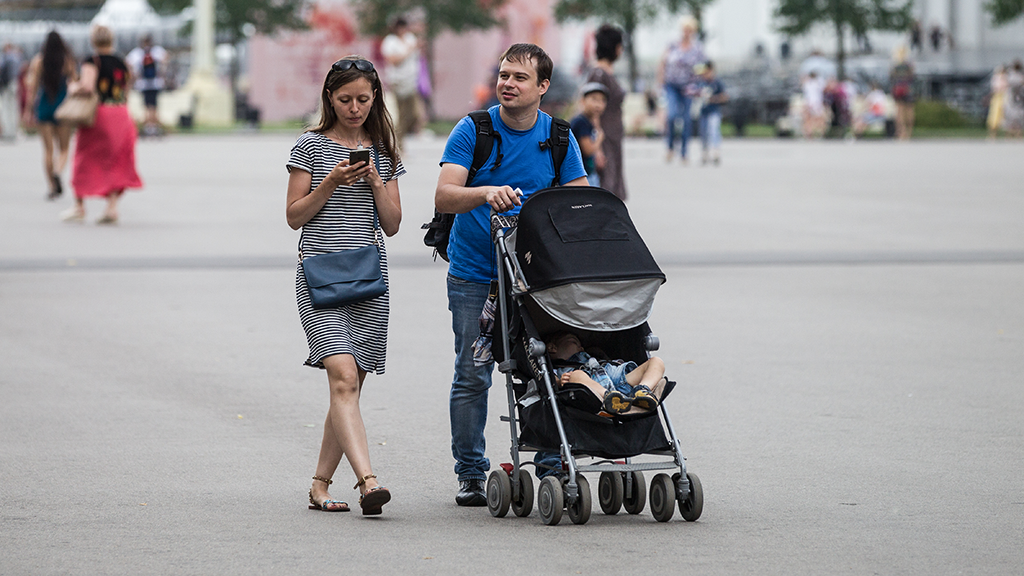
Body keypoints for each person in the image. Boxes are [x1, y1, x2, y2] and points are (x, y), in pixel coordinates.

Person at [434, 43, 588, 506]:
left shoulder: (559, 137)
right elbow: (444, 195)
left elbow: (580, 202)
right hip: (475, 273)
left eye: (520, 77)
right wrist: (485, 194)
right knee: (472, 373)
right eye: (504, 75)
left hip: (535, 277)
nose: (508, 83)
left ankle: (547, 462)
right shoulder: (473, 129)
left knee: (544, 364)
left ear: (542, 87)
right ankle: (470, 472)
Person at [286, 55, 403, 516]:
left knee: (349, 388)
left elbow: (392, 224)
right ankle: (368, 482)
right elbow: (294, 215)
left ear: (375, 98)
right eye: (344, 99)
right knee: (344, 376)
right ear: (329, 99)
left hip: (369, 279)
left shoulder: (384, 152)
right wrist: (331, 181)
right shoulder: (310, 147)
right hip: (320, 276)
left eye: (362, 99)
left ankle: (319, 485)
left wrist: (375, 178)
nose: (354, 108)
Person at [63, 25, 142, 224]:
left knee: (84, 157)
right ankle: (112, 207)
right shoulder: (122, 62)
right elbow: (127, 88)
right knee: (116, 161)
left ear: (93, 41)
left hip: (100, 114)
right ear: (111, 40)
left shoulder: (92, 61)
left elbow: (88, 86)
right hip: (121, 114)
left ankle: (79, 205)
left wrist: (73, 88)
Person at [545, 332, 667, 415]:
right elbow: (550, 380)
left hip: (613, 375)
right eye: (574, 342)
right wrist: (560, 381)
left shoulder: (592, 355)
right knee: (576, 375)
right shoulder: (557, 368)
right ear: (552, 347)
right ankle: (610, 397)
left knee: (657, 361)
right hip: (591, 389)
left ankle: (642, 389)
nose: (581, 348)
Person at [21, 31, 77, 199]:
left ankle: (52, 186)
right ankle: (58, 172)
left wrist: (27, 111)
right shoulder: (67, 62)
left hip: (44, 107)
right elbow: (75, 82)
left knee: (47, 150)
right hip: (63, 109)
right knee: (64, 148)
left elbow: (33, 89)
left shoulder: (39, 62)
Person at [585, 24, 628, 200]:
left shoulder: (606, 72)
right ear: (615, 48)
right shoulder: (599, 74)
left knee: (612, 185)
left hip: (613, 136)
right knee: (605, 188)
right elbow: (592, 112)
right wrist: (597, 149)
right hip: (604, 138)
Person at [658, 16, 706, 164]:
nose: (687, 32)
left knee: (686, 119)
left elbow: (703, 68)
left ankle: (684, 152)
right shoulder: (672, 45)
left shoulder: (697, 48)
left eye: (690, 30)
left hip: (688, 87)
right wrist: (660, 83)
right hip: (672, 85)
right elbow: (663, 63)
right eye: (685, 29)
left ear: (693, 31)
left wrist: (700, 84)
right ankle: (670, 147)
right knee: (672, 116)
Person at [380, 17, 423, 151]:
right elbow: (393, 61)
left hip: (411, 82)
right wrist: (408, 50)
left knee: (413, 114)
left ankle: (399, 142)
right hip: (398, 82)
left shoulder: (410, 38)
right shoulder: (390, 41)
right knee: (401, 114)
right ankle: (398, 145)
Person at [125, 34, 167, 137]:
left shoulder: (138, 53)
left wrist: (134, 74)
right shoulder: (156, 51)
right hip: (155, 83)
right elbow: (166, 57)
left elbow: (127, 62)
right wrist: (162, 70)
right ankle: (153, 127)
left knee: (147, 106)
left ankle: (149, 127)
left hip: (144, 84)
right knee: (153, 106)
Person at [569, 82, 607, 187]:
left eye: (602, 100)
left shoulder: (588, 121)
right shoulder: (581, 122)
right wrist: (599, 138)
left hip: (587, 173)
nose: (598, 104)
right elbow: (588, 150)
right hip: (581, 177)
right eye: (594, 99)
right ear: (583, 101)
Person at [696, 60, 727, 165]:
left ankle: (715, 151)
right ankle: (704, 152)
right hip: (703, 112)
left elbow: (725, 97)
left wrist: (713, 99)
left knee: (714, 130)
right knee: (704, 133)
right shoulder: (701, 83)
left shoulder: (717, 83)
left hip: (714, 111)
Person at [890, 46, 915, 141]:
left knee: (899, 111)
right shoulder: (909, 65)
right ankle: (909, 133)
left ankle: (901, 132)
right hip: (908, 89)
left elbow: (891, 78)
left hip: (898, 90)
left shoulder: (895, 66)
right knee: (909, 111)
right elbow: (912, 77)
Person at [1, 43, 25, 142]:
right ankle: (13, 131)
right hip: (14, 84)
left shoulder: (5, 58)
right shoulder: (16, 58)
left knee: (6, 109)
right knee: (14, 108)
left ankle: (7, 132)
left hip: (6, 86)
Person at [801, 71, 826, 139]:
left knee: (809, 119)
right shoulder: (818, 83)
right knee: (818, 119)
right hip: (816, 103)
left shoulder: (808, 83)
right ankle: (818, 133)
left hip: (809, 102)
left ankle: (810, 133)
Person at [1003, 60, 1024, 139]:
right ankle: (1010, 134)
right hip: (1012, 99)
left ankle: (1018, 134)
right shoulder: (1012, 76)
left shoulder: (1018, 75)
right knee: (1011, 117)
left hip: (1019, 99)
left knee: (1019, 117)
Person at [987, 65, 1007, 139]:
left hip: (1004, 96)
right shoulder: (996, 78)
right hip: (997, 96)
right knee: (994, 115)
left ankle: (1008, 133)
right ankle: (993, 134)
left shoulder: (1005, 77)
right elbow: (994, 88)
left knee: (1005, 114)